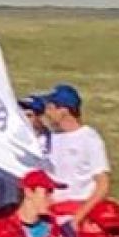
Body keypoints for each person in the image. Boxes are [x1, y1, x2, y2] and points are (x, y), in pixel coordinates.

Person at [42, 84, 109, 228]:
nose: (47, 112)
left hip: (76, 213)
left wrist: (77, 219)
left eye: (51, 107)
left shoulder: (89, 139)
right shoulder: (50, 138)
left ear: (64, 111)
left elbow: (102, 185)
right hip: (51, 214)